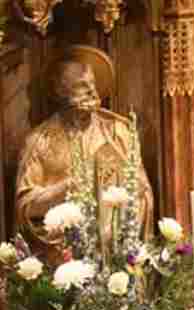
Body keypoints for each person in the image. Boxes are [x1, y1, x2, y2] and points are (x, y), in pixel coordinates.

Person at [16, 50, 154, 265]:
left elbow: (142, 191)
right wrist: (65, 189)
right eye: (82, 85)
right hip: (62, 259)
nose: (92, 91)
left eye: (93, 83)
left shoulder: (117, 132)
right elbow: (25, 208)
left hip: (115, 255)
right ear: (59, 91)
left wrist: (115, 232)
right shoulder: (38, 141)